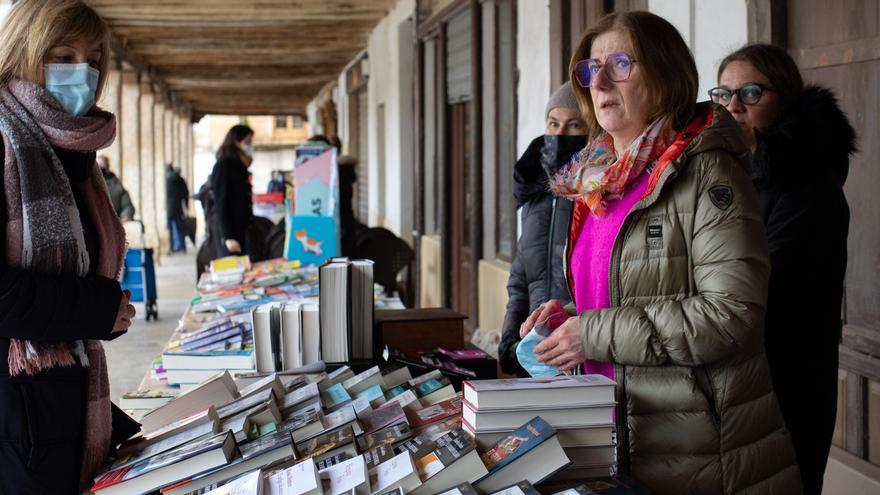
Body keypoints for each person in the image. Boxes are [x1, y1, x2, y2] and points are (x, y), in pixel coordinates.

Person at [521, 12, 801, 492]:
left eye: (621, 64)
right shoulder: (598, 180)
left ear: (666, 74)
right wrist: (569, 317)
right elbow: (635, 291)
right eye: (591, 69)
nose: (600, 81)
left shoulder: (707, 172)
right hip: (617, 434)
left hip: (700, 451)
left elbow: (732, 312)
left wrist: (593, 331)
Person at [0, 1, 137, 492]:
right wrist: (95, 310)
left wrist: (102, 312)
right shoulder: (6, 138)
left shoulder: (72, 153)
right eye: (62, 56)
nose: (82, 72)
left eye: (94, 59)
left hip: (58, 412)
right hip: (15, 424)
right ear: (21, 54)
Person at [714, 44, 855, 495]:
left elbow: (757, 287)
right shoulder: (732, 172)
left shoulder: (808, 186)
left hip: (788, 378)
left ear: (786, 99)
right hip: (740, 379)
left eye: (750, 93)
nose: (733, 106)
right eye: (723, 94)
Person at [498, 82, 587, 376]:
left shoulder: (599, 193)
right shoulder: (536, 191)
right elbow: (521, 276)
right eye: (553, 123)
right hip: (537, 349)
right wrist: (511, 335)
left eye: (574, 125)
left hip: (582, 349)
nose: (560, 135)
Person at [210, 124, 254, 258]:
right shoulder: (224, 165)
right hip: (229, 231)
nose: (250, 146)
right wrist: (228, 236)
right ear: (236, 141)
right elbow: (221, 203)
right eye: (247, 142)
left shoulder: (238, 164)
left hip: (240, 227)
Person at [96, 155, 135, 221]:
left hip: (111, 223)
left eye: (102, 167)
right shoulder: (87, 182)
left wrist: (125, 216)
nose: (100, 169)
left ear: (108, 167)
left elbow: (128, 206)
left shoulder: (116, 185)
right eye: (98, 166)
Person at [165, 163, 189, 253]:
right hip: (178, 207)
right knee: (180, 228)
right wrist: (186, 205)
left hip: (170, 208)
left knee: (171, 230)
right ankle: (182, 247)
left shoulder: (167, 179)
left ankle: (172, 247)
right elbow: (185, 193)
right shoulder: (181, 180)